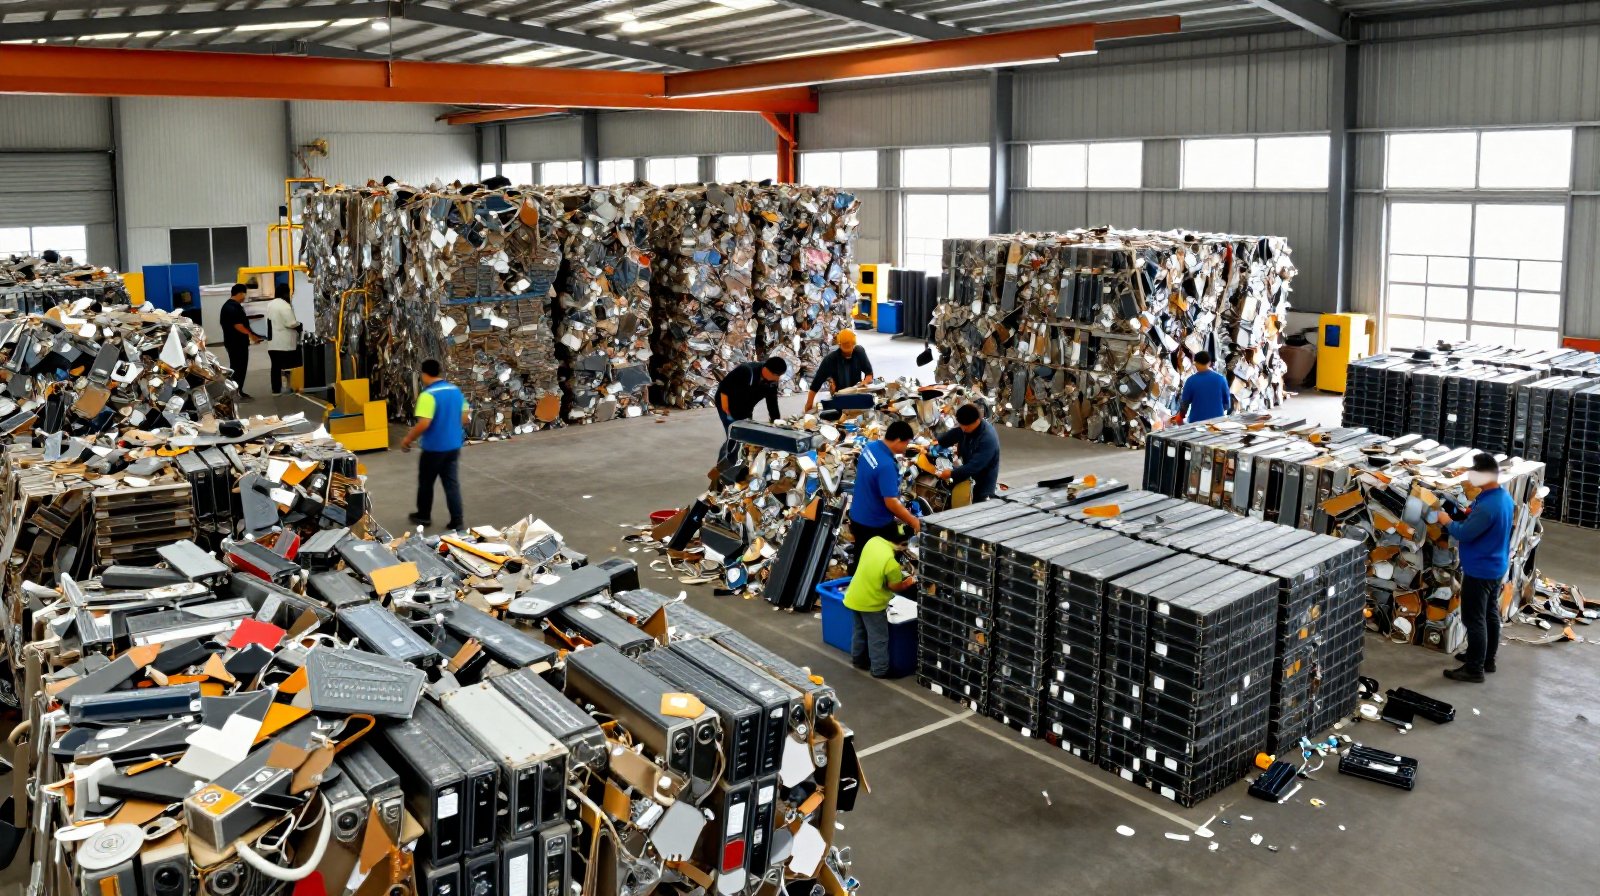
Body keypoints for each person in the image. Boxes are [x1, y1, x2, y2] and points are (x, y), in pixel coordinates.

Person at [1437, 453, 1514, 683]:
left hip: (1480, 570)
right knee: (1489, 614)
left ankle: (1474, 669)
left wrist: (1446, 520)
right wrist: (1469, 514)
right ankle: (1486, 659)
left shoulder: (1488, 506)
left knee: (1474, 619)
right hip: (1495, 565)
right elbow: (1481, 520)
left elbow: (1464, 533)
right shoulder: (1501, 497)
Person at [401, 359, 470, 532]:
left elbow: (424, 423)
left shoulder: (428, 395)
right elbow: (465, 417)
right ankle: (457, 521)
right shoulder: (454, 390)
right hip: (453, 446)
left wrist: (408, 439)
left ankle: (423, 516)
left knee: (426, 483)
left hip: (434, 448)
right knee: (451, 484)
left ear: (424, 374)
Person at [843, 523, 917, 678]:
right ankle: (879, 670)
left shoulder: (873, 541)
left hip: (855, 596)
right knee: (878, 638)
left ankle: (858, 660)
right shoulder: (891, 562)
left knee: (859, 631)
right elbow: (894, 586)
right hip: (872, 603)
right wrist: (909, 581)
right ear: (901, 544)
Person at [848, 419, 920, 571]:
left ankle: (854, 575)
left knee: (862, 554)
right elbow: (891, 503)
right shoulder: (886, 465)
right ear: (898, 440)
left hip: (857, 514)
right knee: (881, 558)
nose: (906, 447)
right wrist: (913, 521)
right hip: (874, 523)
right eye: (906, 443)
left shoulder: (871, 447)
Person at [935, 403, 1002, 502]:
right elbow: (955, 433)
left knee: (979, 505)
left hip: (983, 479)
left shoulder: (988, 439)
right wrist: (938, 442)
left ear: (976, 421)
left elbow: (974, 466)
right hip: (968, 471)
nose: (963, 429)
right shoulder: (968, 426)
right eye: (961, 425)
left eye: (965, 426)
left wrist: (951, 474)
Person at [803, 330, 873, 414]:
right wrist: (809, 403)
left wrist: (864, 383)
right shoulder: (830, 360)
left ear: (854, 345)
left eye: (850, 349)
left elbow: (869, 374)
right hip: (839, 397)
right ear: (839, 345)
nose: (848, 353)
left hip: (856, 395)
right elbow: (816, 384)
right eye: (845, 350)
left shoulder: (859, 352)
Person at [715, 357, 786, 433]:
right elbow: (724, 389)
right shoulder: (746, 371)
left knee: (746, 432)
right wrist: (727, 412)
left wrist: (776, 422)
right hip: (726, 402)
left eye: (779, 376)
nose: (777, 379)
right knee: (734, 432)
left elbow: (772, 402)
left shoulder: (772, 381)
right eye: (776, 375)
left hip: (746, 407)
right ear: (766, 370)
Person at [219, 283, 264, 399]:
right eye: (244, 294)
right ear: (240, 293)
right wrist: (251, 335)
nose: (245, 297)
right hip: (236, 343)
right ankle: (235, 392)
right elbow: (238, 325)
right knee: (239, 367)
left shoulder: (231, 306)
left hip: (235, 342)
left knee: (238, 367)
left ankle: (237, 390)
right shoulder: (231, 307)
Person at [263, 283, 303, 396]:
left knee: (275, 367)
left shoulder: (270, 304)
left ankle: (276, 390)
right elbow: (291, 323)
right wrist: (301, 325)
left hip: (273, 343)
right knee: (290, 367)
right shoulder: (284, 305)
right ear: (285, 293)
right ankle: (291, 387)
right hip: (284, 344)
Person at [1174, 350, 1231, 424]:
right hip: (1217, 422)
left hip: (1197, 422)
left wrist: (1181, 416)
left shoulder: (1191, 381)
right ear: (1209, 363)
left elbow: (1185, 404)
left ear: (1195, 363)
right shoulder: (1221, 379)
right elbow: (1227, 404)